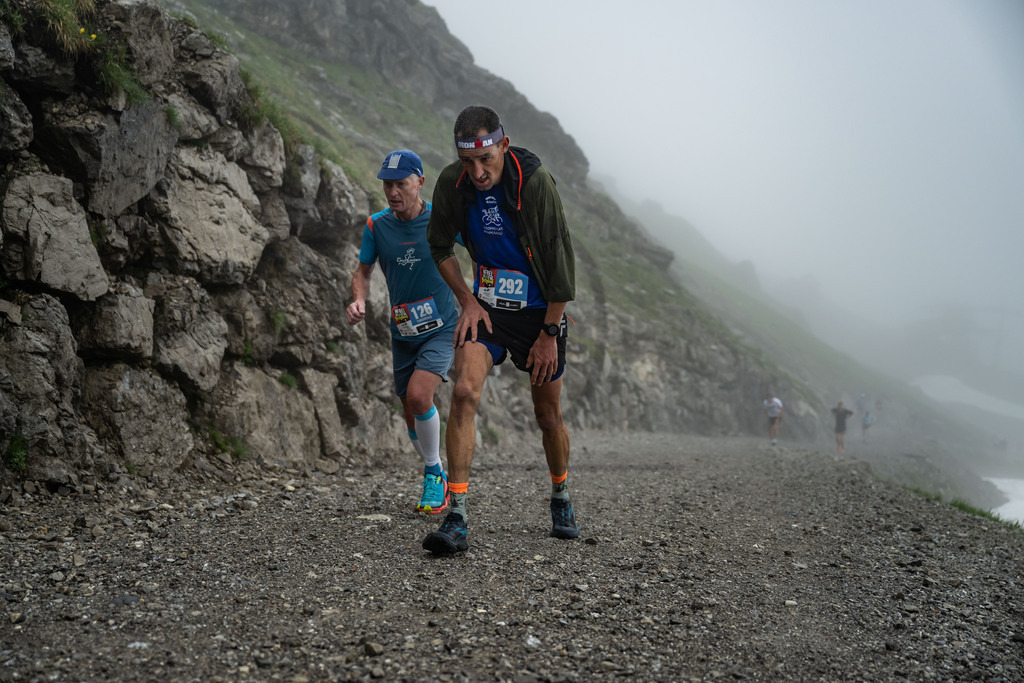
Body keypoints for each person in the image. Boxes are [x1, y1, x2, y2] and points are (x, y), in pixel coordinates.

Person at [422, 105, 577, 554]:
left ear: (503, 146)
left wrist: (549, 332)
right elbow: (439, 244)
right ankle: (457, 516)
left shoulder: (535, 183)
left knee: (547, 416)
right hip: (486, 308)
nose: (477, 171)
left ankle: (561, 496)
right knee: (465, 393)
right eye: (468, 161)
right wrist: (467, 299)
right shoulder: (454, 182)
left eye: (485, 159)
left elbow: (562, 266)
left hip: (538, 315)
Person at [345, 149, 457, 515]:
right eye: (387, 184)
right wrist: (358, 300)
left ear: (420, 182)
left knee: (420, 395)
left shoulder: (438, 220)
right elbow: (362, 271)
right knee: (409, 408)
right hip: (403, 331)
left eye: (400, 184)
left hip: (441, 326)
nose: (393, 192)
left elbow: (480, 249)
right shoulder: (377, 225)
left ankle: (433, 475)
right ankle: (435, 468)